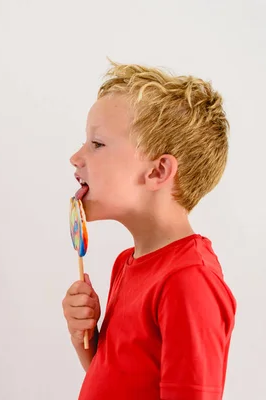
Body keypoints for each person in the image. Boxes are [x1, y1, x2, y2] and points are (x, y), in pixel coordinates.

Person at [62, 61, 236, 399]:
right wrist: (85, 340)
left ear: (157, 172)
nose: (76, 157)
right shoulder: (126, 264)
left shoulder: (188, 280)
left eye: (96, 144)